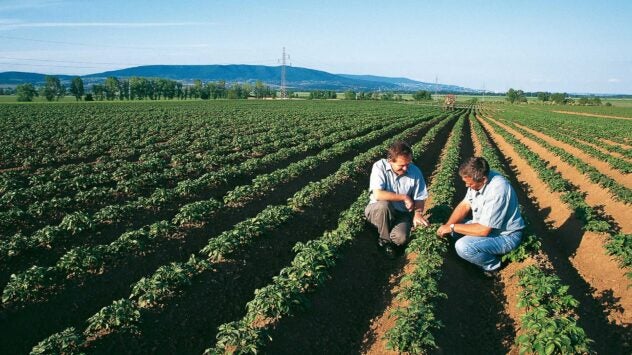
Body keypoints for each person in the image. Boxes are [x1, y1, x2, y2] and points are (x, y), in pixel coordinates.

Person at [436, 157, 524, 277]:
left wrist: (452, 227)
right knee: (452, 232)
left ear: (483, 179)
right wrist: (447, 226)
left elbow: (484, 230)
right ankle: (476, 256)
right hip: (485, 226)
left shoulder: (497, 190)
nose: (467, 186)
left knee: (463, 246)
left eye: (469, 183)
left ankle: (493, 265)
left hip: (505, 236)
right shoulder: (477, 181)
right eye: (465, 182)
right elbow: (465, 205)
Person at [365, 140, 429, 257]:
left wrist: (418, 213)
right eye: (401, 165)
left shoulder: (415, 172)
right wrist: (404, 197)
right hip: (378, 211)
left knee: (401, 238)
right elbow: (378, 195)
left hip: (401, 214)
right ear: (390, 161)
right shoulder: (379, 167)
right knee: (384, 205)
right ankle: (384, 242)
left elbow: (419, 197)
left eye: (408, 164)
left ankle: (392, 241)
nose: (405, 168)